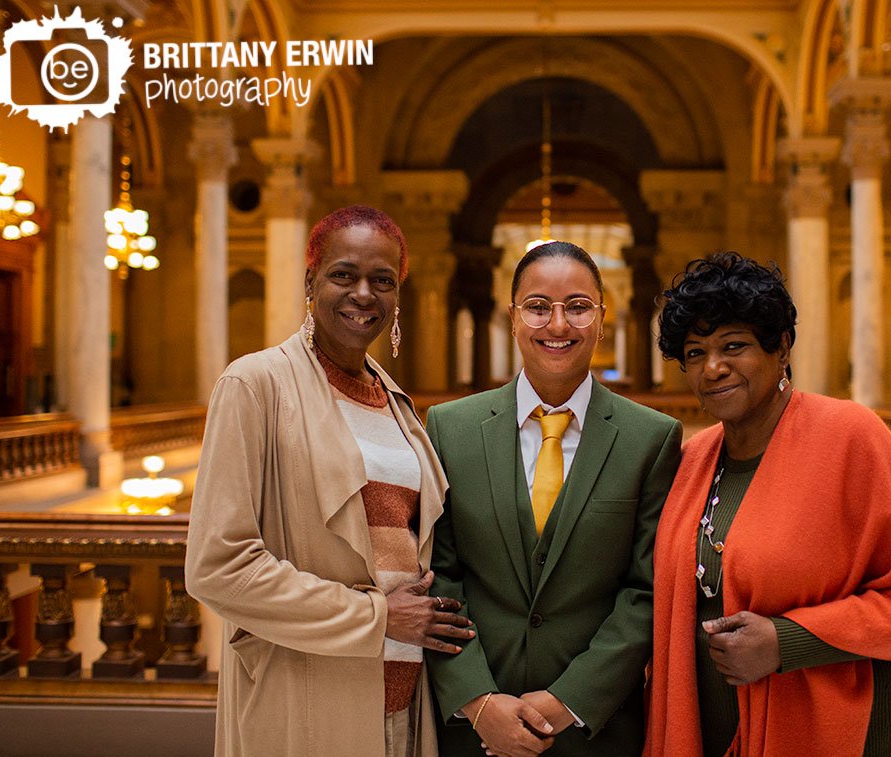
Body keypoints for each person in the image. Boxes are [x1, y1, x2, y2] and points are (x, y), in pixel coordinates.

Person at [644, 253, 891, 757]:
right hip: (709, 729)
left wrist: (788, 640)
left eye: (733, 346)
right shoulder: (693, 458)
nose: (713, 368)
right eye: (694, 353)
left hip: (830, 730)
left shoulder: (850, 437)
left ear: (780, 348)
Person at [186, 205, 473, 757]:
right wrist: (377, 617)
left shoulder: (396, 402)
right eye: (344, 274)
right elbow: (218, 567)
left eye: (383, 281)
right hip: (308, 697)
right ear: (310, 282)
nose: (364, 293)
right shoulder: (255, 385)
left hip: (406, 699)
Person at [426, 241, 682, 756]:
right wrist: (478, 701)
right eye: (538, 306)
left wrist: (566, 702)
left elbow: (645, 591)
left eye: (578, 306)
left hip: (597, 731)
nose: (558, 324)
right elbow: (440, 575)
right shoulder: (449, 429)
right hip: (473, 732)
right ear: (514, 317)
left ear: (602, 319)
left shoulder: (651, 439)